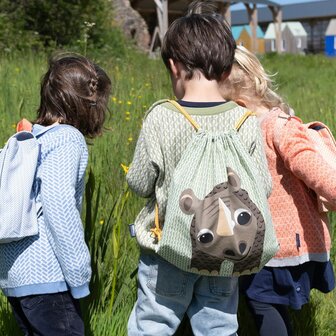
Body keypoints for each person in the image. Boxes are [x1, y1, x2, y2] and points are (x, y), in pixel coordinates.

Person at [126, 2, 272, 335]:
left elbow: (139, 182)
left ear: (174, 67)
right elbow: (262, 187)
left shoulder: (162, 117)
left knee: (153, 322)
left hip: (167, 250)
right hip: (224, 253)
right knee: (218, 324)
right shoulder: (246, 121)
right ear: (226, 70)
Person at [220, 46, 336, 336]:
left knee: (261, 302)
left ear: (236, 101)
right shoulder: (250, 127)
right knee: (265, 301)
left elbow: (309, 164)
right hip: (263, 242)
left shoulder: (276, 126)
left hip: (283, 243)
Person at [0, 53, 111, 335]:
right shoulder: (67, 139)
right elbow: (58, 203)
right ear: (89, 103)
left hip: (15, 278)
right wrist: (79, 273)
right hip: (48, 277)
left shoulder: (32, 138)